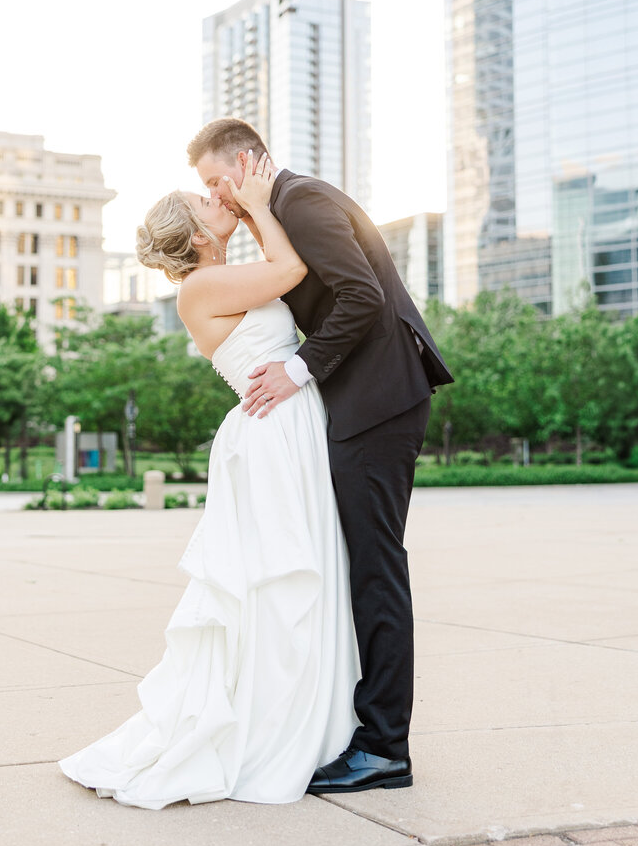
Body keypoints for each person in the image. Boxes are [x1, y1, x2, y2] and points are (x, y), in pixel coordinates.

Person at [57, 154, 361, 808]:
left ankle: (310, 716)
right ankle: (274, 725)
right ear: (197, 236)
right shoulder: (199, 288)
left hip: (289, 425)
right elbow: (291, 270)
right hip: (272, 435)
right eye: (203, 204)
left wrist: (253, 210)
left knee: (299, 575)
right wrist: (256, 204)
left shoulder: (222, 273)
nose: (214, 199)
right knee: (282, 582)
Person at [188, 117, 453, 794]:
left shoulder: (299, 202)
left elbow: (362, 295)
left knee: (376, 570)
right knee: (367, 566)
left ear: (247, 163)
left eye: (219, 180)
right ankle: (363, 731)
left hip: (379, 401)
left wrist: (298, 371)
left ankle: (384, 748)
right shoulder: (288, 207)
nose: (218, 195)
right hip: (368, 400)